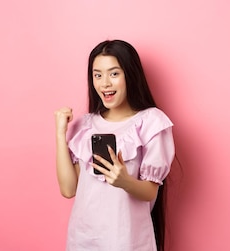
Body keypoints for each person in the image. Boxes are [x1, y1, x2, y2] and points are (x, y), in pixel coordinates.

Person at [54, 40, 175, 251]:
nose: (105, 83)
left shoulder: (151, 122)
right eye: (97, 75)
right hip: (83, 239)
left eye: (114, 74)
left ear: (130, 75)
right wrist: (60, 134)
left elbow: (150, 192)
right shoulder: (85, 125)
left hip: (127, 240)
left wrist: (125, 181)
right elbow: (68, 189)